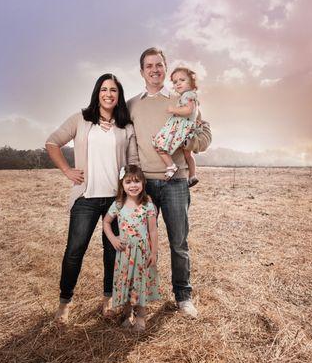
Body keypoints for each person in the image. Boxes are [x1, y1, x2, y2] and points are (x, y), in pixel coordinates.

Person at [45, 73, 139, 324]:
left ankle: (108, 299)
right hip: (85, 198)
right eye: (104, 89)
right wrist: (67, 170)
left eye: (114, 90)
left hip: (114, 201)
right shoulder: (81, 119)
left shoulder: (125, 126)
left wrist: (133, 195)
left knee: (113, 252)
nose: (109, 94)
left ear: (119, 96)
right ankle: (65, 303)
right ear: (97, 93)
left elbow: (132, 164)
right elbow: (52, 143)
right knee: (75, 251)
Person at [127, 47, 212, 318]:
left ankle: (183, 297)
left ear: (165, 68)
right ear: (142, 72)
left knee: (179, 242)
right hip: (145, 185)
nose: (154, 69)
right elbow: (128, 141)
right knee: (141, 243)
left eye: (159, 65)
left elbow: (205, 133)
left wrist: (186, 141)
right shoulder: (132, 105)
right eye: (148, 66)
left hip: (176, 182)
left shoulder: (182, 97)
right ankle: (140, 298)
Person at [102, 165, 161, 331]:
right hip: (124, 252)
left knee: (140, 284)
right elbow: (106, 222)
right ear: (122, 184)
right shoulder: (118, 205)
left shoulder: (147, 205)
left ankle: (141, 316)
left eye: (136, 181)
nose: (133, 185)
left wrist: (154, 252)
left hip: (142, 252)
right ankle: (128, 314)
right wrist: (113, 238)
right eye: (128, 182)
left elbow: (153, 230)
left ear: (143, 183)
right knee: (126, 283)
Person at [152, 66, 200, 186]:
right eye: (175, 82)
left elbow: (188, 110)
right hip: (186, 128)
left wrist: (174, 109)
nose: (178, 83)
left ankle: (171, 165)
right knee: (188, 154)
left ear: (192, 81)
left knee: (159, 143)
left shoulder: (188, 95)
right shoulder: (187, 96)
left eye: (182, 80)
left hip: (181, 128)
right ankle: (193, 175)